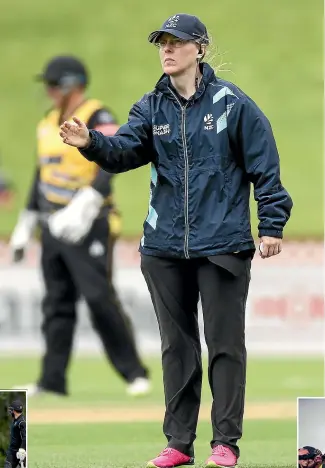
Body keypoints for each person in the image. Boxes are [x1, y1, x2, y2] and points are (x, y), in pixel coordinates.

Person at [59, 13, 293, 468]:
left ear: (199, 49)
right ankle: (179, 444)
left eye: (176, 42)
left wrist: (272, 224)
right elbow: (123, 150)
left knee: (225, 345)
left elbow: (266, 167)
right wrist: (91, 142)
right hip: (163, 248)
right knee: (177, 348)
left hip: (223, 244)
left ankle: (225, 443)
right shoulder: (151, 107)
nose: (167, 50)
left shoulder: (233, 105)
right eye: (162, 43)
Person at [9, 55, 151, 398]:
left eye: (54, 85)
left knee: (99, 297)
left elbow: (112, 158)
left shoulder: (97, 115)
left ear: (72, 85)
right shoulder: (46, 122)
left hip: (89, 222)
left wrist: (89, 201)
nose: (49, 92)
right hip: (53, 225)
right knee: (56, 303)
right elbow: (42, 173)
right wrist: (27, 221)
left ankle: (134, 372)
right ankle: (52, 380)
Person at [4, 400, 26, 468]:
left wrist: (22, 449)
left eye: (11, 409)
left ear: (14, 410)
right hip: (12, 452)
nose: (10, 411)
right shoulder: (16, 420)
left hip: (18, 453)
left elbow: (25, 437)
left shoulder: (21, 422)